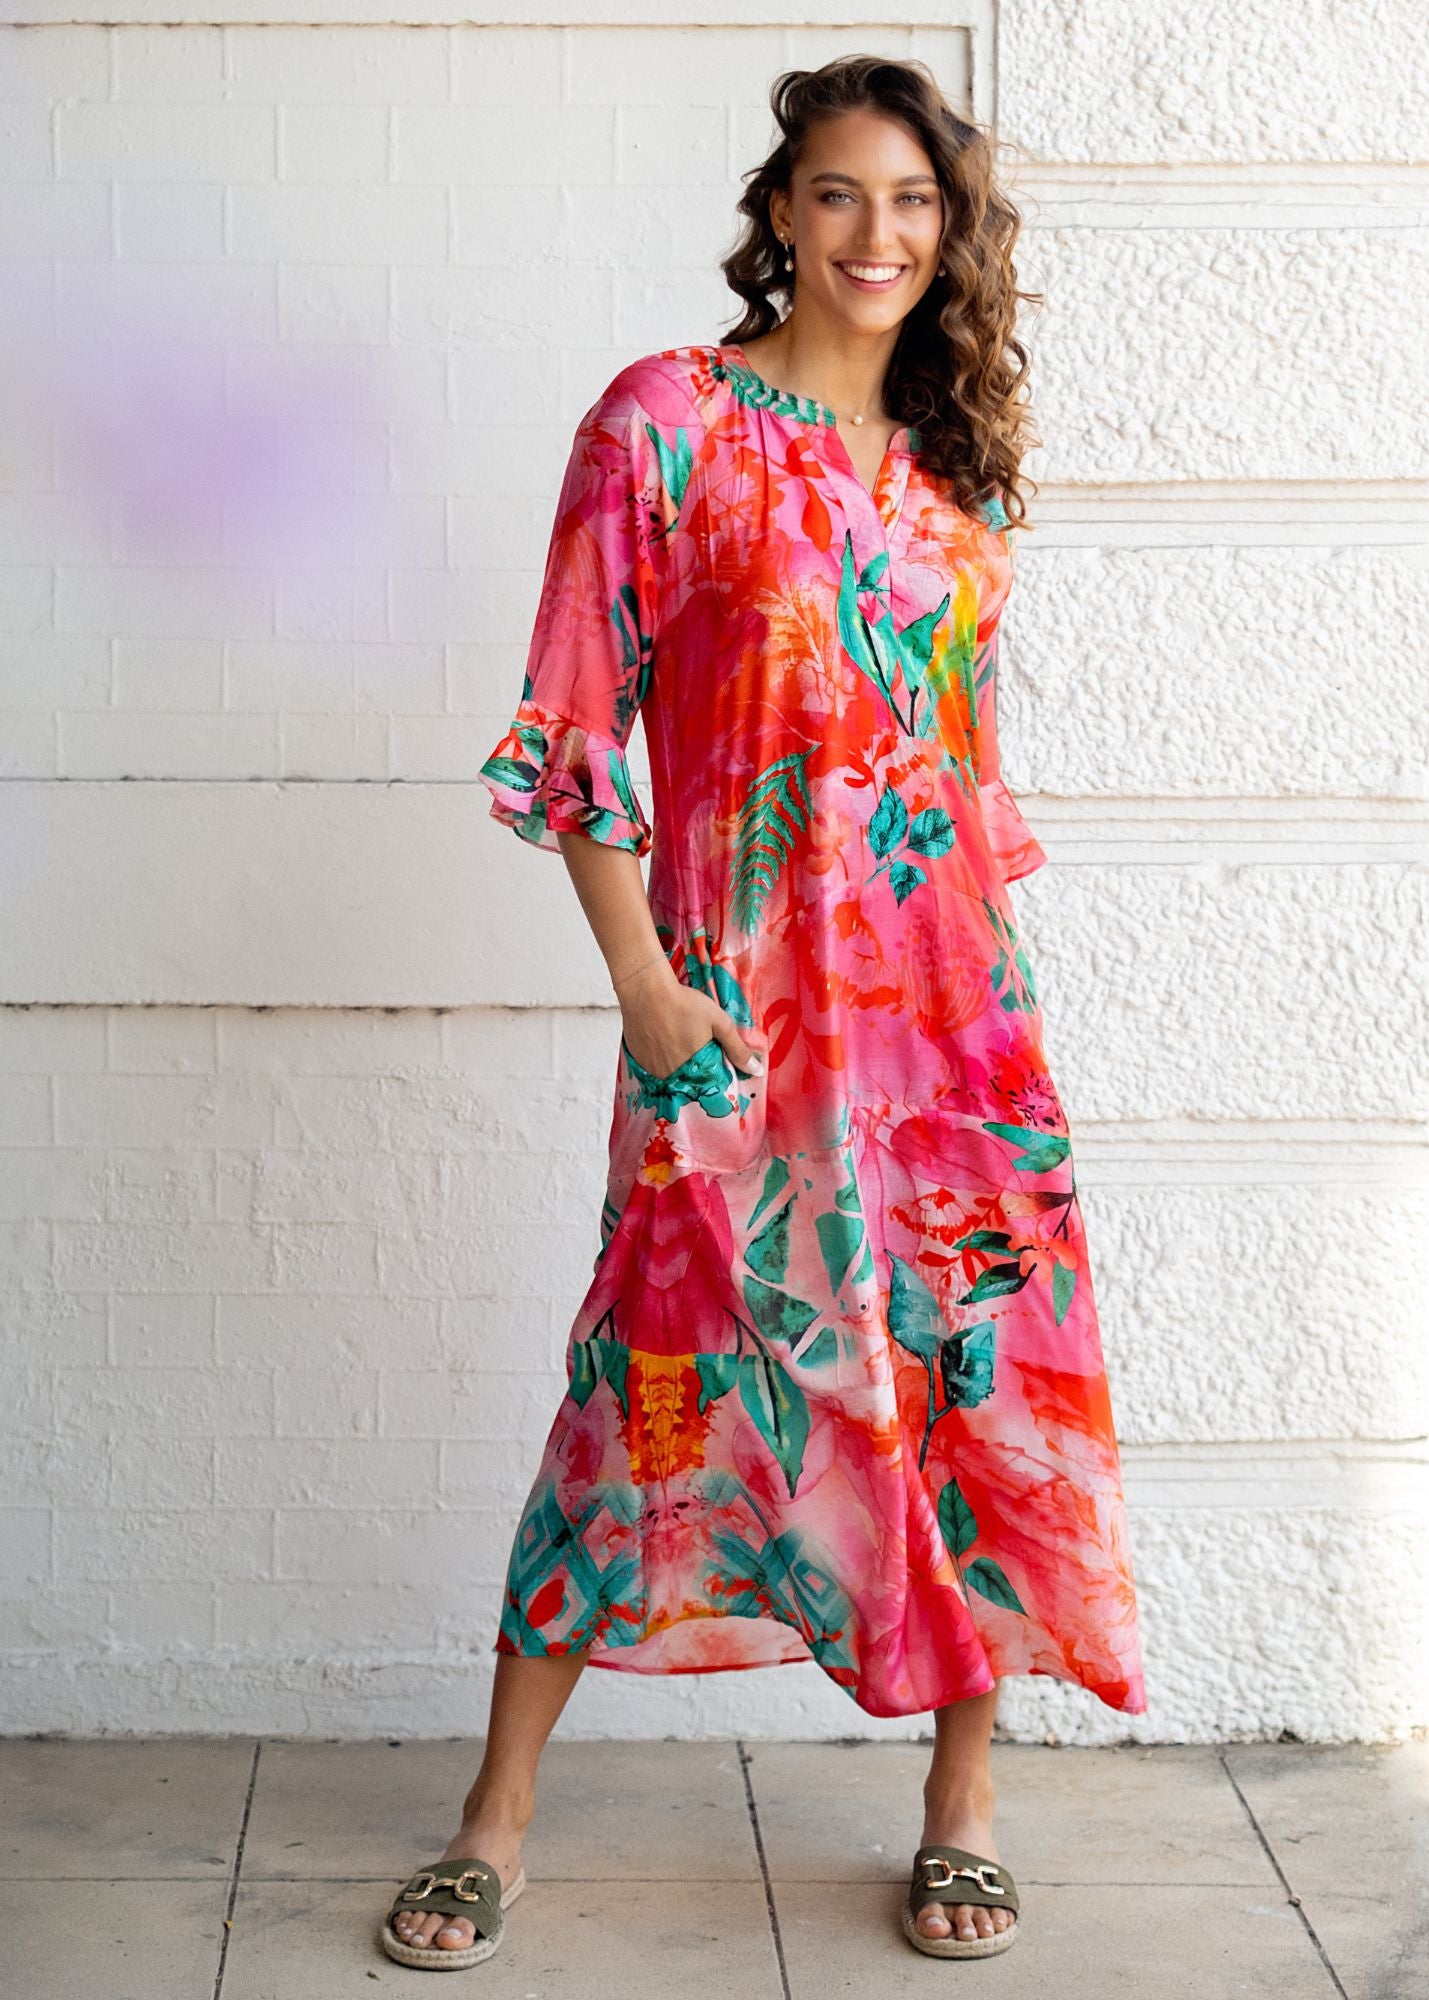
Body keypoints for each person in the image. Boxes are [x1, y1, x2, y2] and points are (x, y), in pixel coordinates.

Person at [381, 52, 1146, 1973]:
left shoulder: (958, 467)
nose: (876, 233)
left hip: (952, 1030)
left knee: (974, 1378)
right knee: (641, 1380)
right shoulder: (664, 421)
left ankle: (962, 1808)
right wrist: (645, 988)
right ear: (780, 214)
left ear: (950, 233)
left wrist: (988, 1009)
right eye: (837, 192)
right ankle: (494, 1817)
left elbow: (955, 773)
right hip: (732, 1016)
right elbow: (573, 727)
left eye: (915, 200)